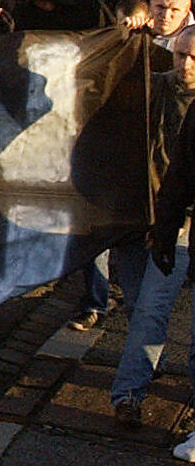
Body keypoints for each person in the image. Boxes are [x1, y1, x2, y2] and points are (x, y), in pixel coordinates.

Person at [121, 27, 195, 453]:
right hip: (157, 213)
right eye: (180, 54)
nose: (184, 64)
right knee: (146, 307)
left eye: (192, 57)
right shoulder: (156, 89)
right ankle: (129, 393)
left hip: (180, 218)